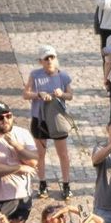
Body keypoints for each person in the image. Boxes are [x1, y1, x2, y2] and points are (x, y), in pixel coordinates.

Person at [23, 45, 73, 200]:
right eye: (46, 58)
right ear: (41, 61)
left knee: (63, 154)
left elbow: (70, 95)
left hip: (57, 118)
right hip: (40, 119)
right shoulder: (35, 75)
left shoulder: (63, 76)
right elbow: (25, 94)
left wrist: (61, 94)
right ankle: (42, 183)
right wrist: (39, 94)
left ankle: (66, 184)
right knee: (40, 154)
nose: (50, 61)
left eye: (52, 57)